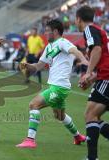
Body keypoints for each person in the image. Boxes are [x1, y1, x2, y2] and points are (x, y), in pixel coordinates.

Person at [16, 19, 88, 148]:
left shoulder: (63, 42)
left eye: (47, 31)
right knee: (60, 116)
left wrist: (83, 60)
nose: (45, 33)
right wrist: (27, 66)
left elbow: (75, 51)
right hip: (57, 87)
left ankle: (30, 140)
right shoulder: (49, 46)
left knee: (34, 105)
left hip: (59, 87)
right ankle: (78, 137)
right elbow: (38, 66)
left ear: (55, 31)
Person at [76, 6, 109, 160]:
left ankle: (92, 158)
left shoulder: (89, 29)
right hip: (104, 77)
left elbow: (96, 49)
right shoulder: (98, 31)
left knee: (90, 114)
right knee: (94, 117)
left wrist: (88, 73)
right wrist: (91, 78)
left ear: (78, 19)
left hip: (107, 79)